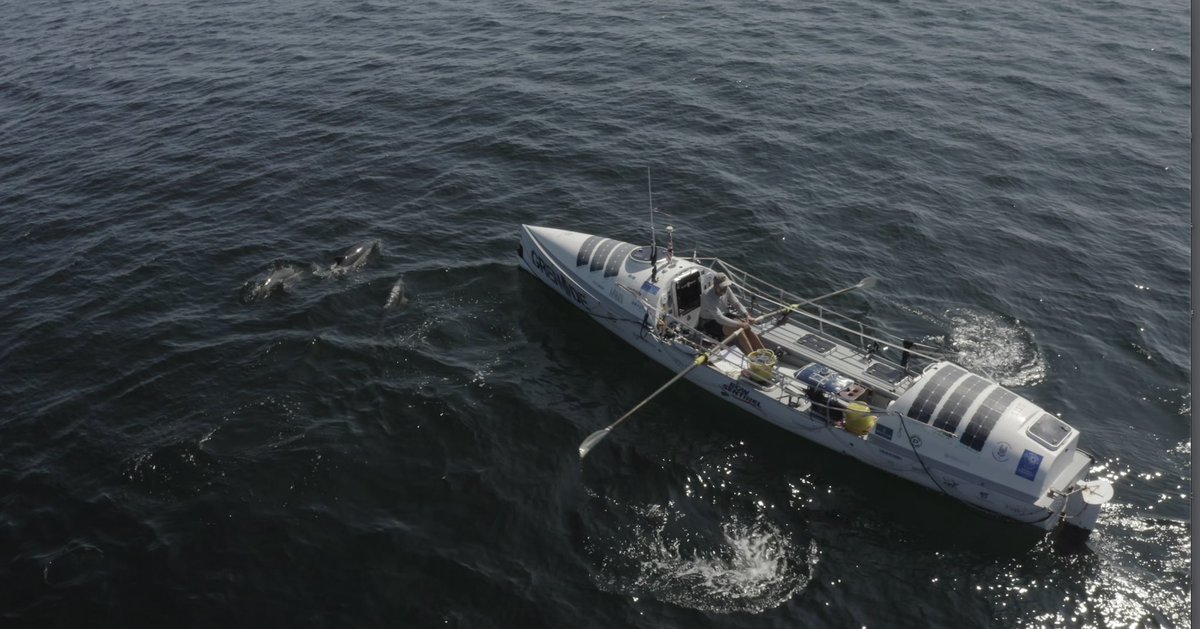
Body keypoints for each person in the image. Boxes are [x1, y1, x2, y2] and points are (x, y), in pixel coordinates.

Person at [697, 272, 766, 355]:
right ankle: (752, 357)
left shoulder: (726, 289)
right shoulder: (707, 296)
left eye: (725, 286)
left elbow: (736, 303)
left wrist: (746, 315)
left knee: (747, 327)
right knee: (739, 330)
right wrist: (739, 324)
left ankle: (764, 352)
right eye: (722, 287)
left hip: (724, 315)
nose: (724, 289)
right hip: (709, 322)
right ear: (715, 285)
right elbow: (719, 318)